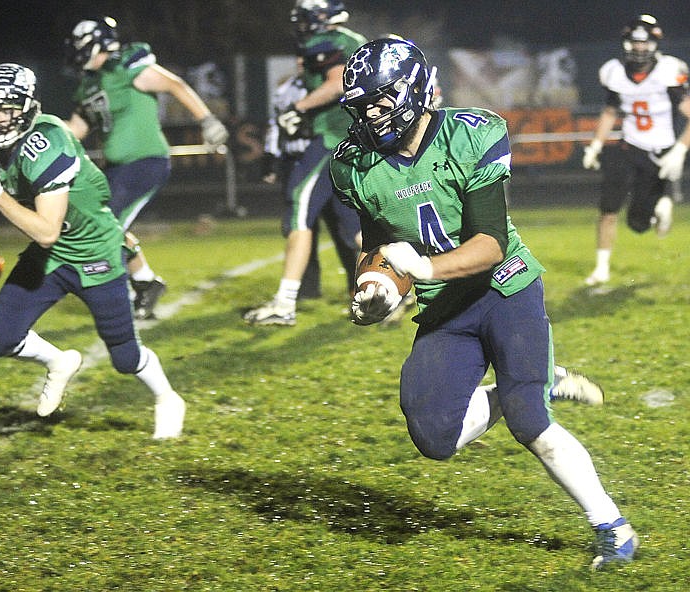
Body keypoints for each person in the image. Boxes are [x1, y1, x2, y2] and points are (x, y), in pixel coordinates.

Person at [330, 38, 637, 569]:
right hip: (446, 309)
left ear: (417, 91)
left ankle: (613, 527)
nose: (372, 115)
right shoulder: (356, 165)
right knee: (433, 435)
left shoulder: (470, 133)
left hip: (505, 289)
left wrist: (421, 268)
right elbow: (376, 245)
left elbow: (491, 243)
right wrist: (374, 289)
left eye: (382, 100)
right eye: (364, 105)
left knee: (530, 422)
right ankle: (535, 378)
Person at [0, 63, 185, 439]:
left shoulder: (47, 139)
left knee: (124, 357)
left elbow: (47, 230)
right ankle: (58, 361)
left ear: (28, 105)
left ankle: (168, 398)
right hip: (50, 259)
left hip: (93, 251)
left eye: (6, 108)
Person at [64, 16, 228, 318]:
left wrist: (206, 120)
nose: (76, 51)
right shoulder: (89, 83)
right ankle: (144, 282)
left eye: (81, 45)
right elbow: (75, 128)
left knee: (106, 228)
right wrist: (36, 128)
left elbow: (175, 84)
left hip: (145, 163)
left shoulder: (128, 67)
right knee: (106, 225)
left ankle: (120, 299)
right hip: (114, 168)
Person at [243, 0, 366, 326]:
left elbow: (339, 82)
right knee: (354, 227)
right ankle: (397, 289)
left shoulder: (333, 43)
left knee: (299, 205)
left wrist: (299, 108)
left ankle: (284, 303)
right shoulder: (353, 39)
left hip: (331, 139)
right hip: (350, 138)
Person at [582, 14, 690, 286]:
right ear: (627, 43)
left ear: (654, 44)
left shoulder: (668, 70)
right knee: (608, 208)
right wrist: (595, 145)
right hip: (627, 147)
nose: (640, 48)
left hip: (659, 151)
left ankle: (660, 205)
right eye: (635, 42)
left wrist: (680, 149)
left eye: (645, 43)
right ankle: (601, 268)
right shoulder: (614, 71)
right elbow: (610, 112)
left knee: (639, 224)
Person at [261, 62, 322, 300]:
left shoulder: (325, 87)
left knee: (344, 228)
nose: (300, 62)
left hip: (323, 158)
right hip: (295, 160)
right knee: (297, 224)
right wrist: (270, 156)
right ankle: (305, 288)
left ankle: (356, 283)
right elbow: (276, 124)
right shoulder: (285, 88)